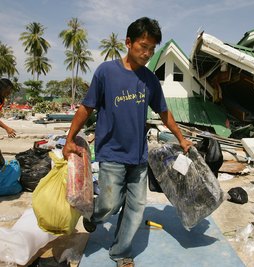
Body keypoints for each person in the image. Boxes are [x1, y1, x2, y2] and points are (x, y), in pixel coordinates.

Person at [62, 17, 192, 267]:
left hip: (139, 156)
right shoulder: (106, 72)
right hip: (111, 151)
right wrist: (69, 139)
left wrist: (181, 139)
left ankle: (121, 252)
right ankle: (93, 213)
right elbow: (86, 107)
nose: (147, 53)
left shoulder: (150, 80)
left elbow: (164, 112)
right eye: (143, 46)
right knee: (110, 202)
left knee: (135, 208)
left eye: (152, 49)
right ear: (128, 43)